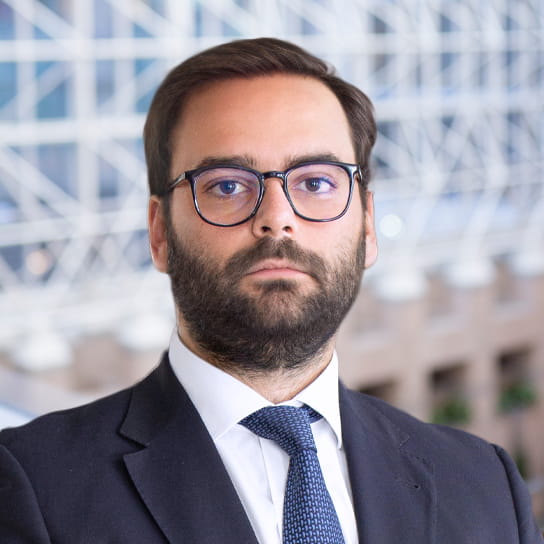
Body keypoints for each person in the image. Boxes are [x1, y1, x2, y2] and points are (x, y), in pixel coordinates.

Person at [0, 38, 541, 544]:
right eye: (227, 186)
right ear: (160, 233)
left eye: (317, 182)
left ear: (367, 226)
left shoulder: (485, 482)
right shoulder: (32, 487)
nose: (277, 218)